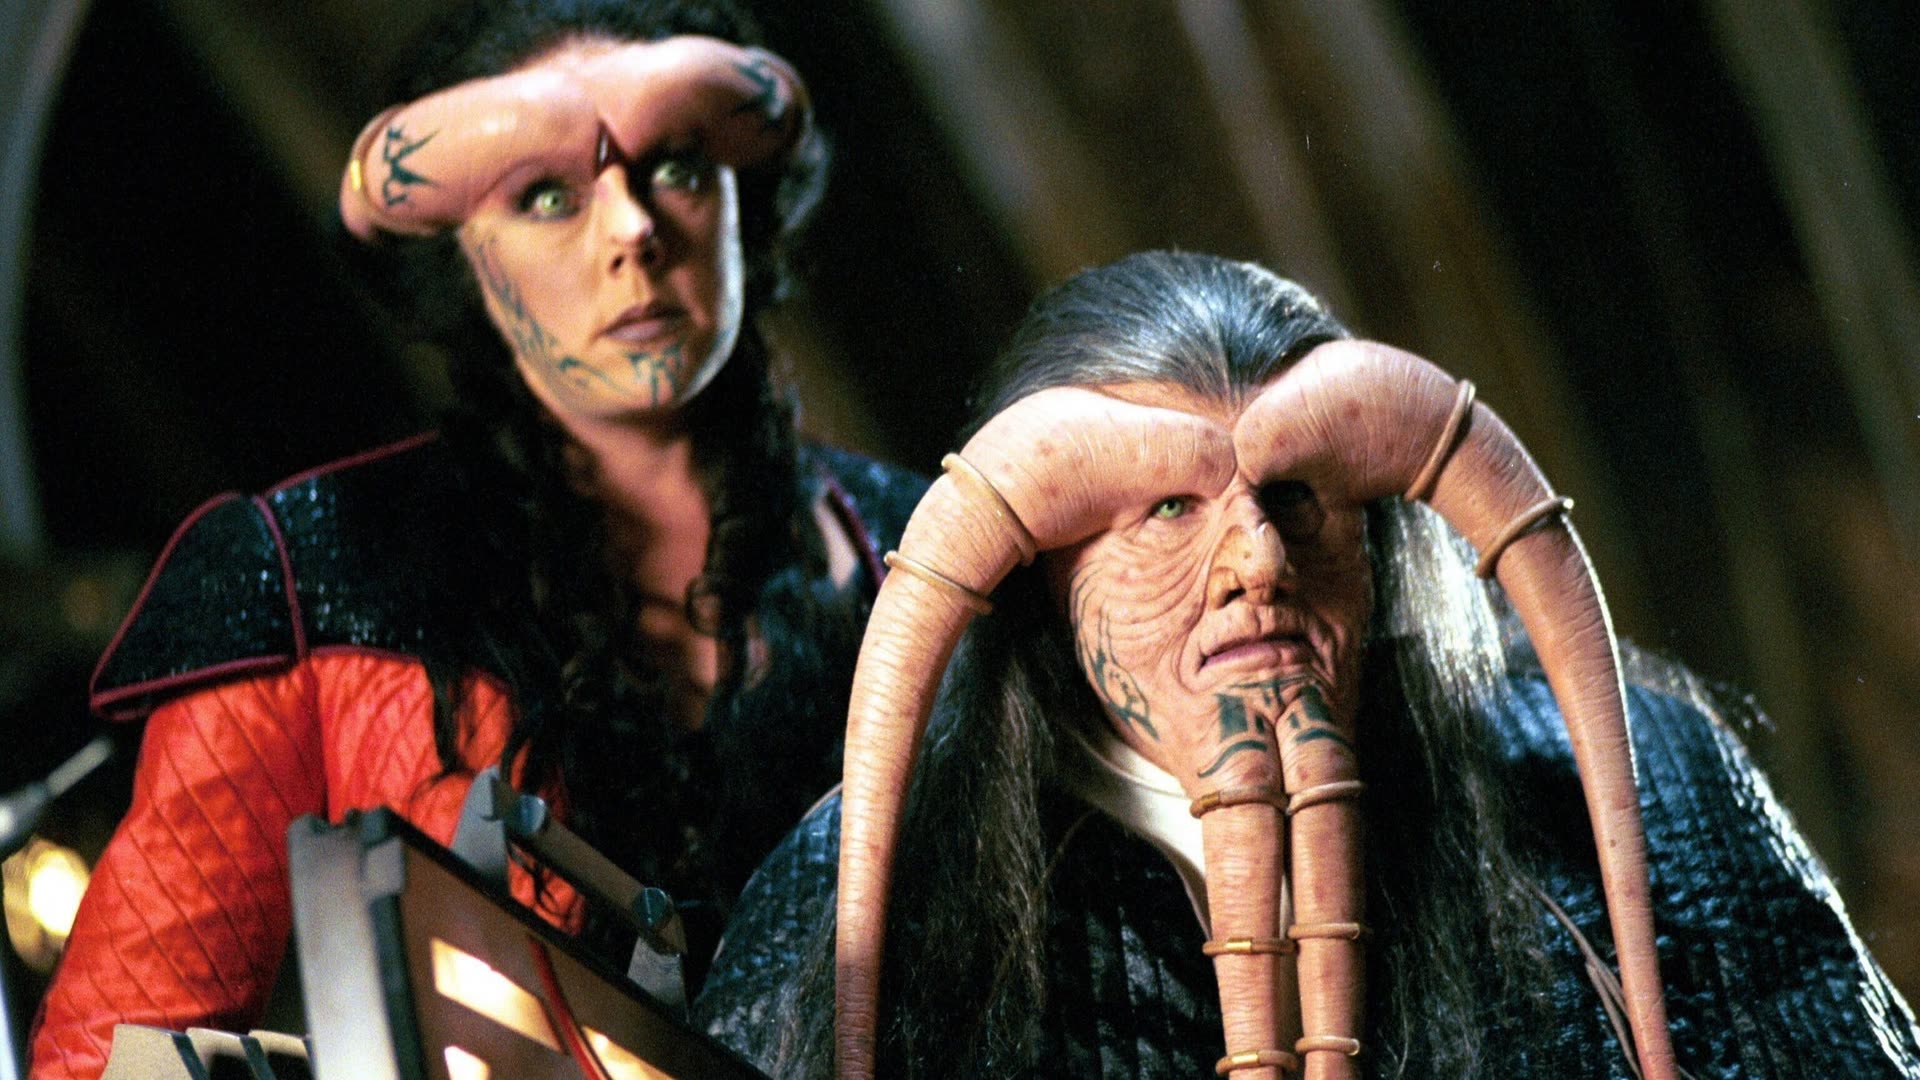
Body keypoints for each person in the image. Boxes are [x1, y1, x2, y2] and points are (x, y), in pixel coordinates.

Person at [694, 251, 1920, 1077]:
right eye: (1166, 511)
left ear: (1377, 536)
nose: (1259, 561)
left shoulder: (1658, 784)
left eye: (1296, 498)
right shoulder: (877, 877)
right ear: (1041, 579)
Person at [29, 2, 927, 1076]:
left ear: (741, 202)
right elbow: (116, 1052)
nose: (633, 229)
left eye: (678, 168)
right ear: (463, 258)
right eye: (547, 196)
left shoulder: (929, 549)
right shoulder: (314, 573)